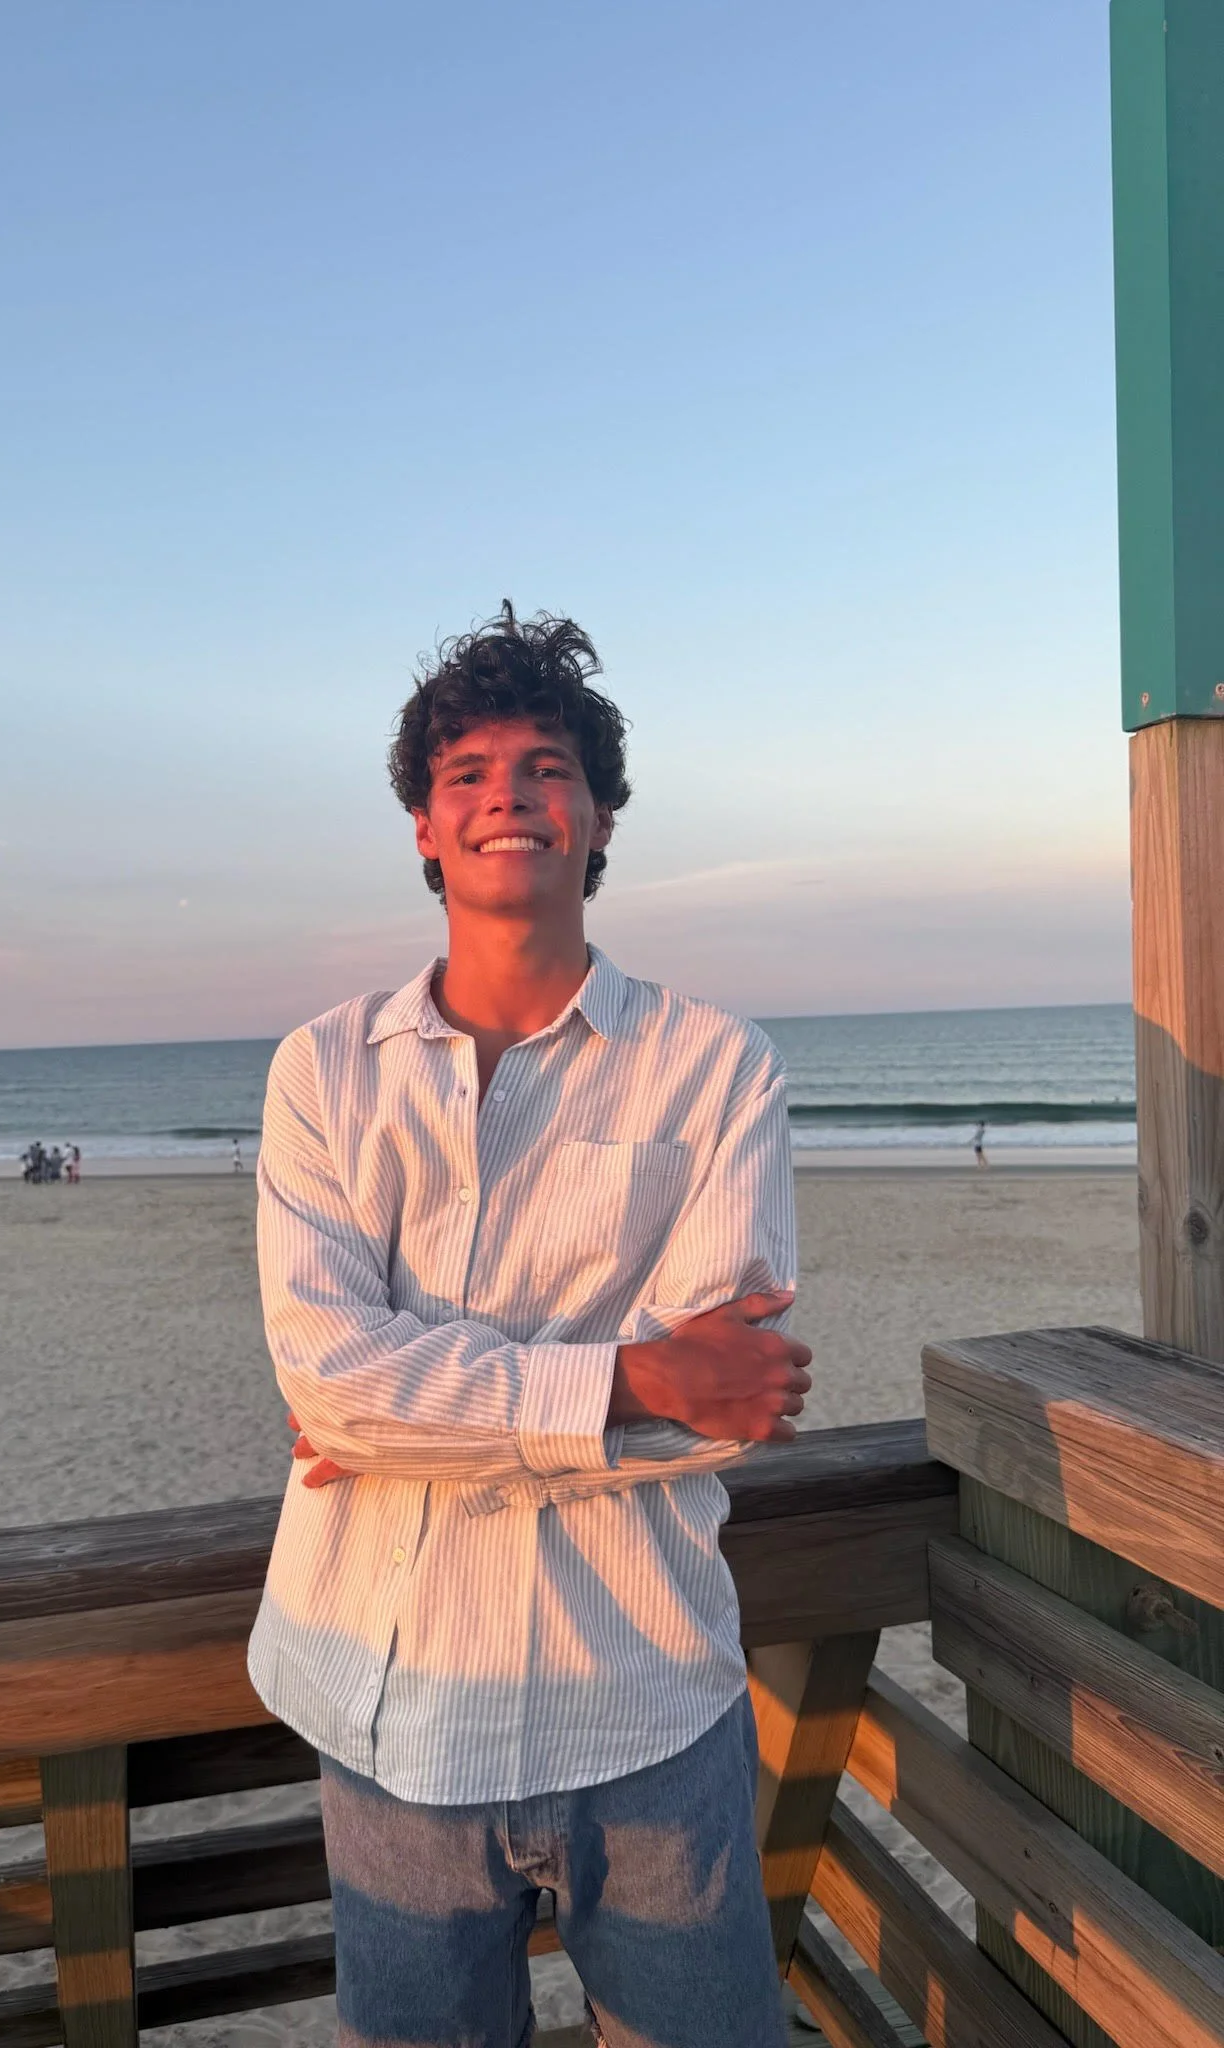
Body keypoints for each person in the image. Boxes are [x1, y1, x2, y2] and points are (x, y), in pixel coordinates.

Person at [248, 605, 810, 2046]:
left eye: (548, 765)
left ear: (600, 817)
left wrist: (395, 1426)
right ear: (426, 833)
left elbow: (721, 1413)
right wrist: (627, 1373)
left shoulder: (716, 1066)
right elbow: (325, 1371)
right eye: (469, 773)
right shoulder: (324, 1072)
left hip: (646, 1701)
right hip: (390, 1711)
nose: (510, 794)